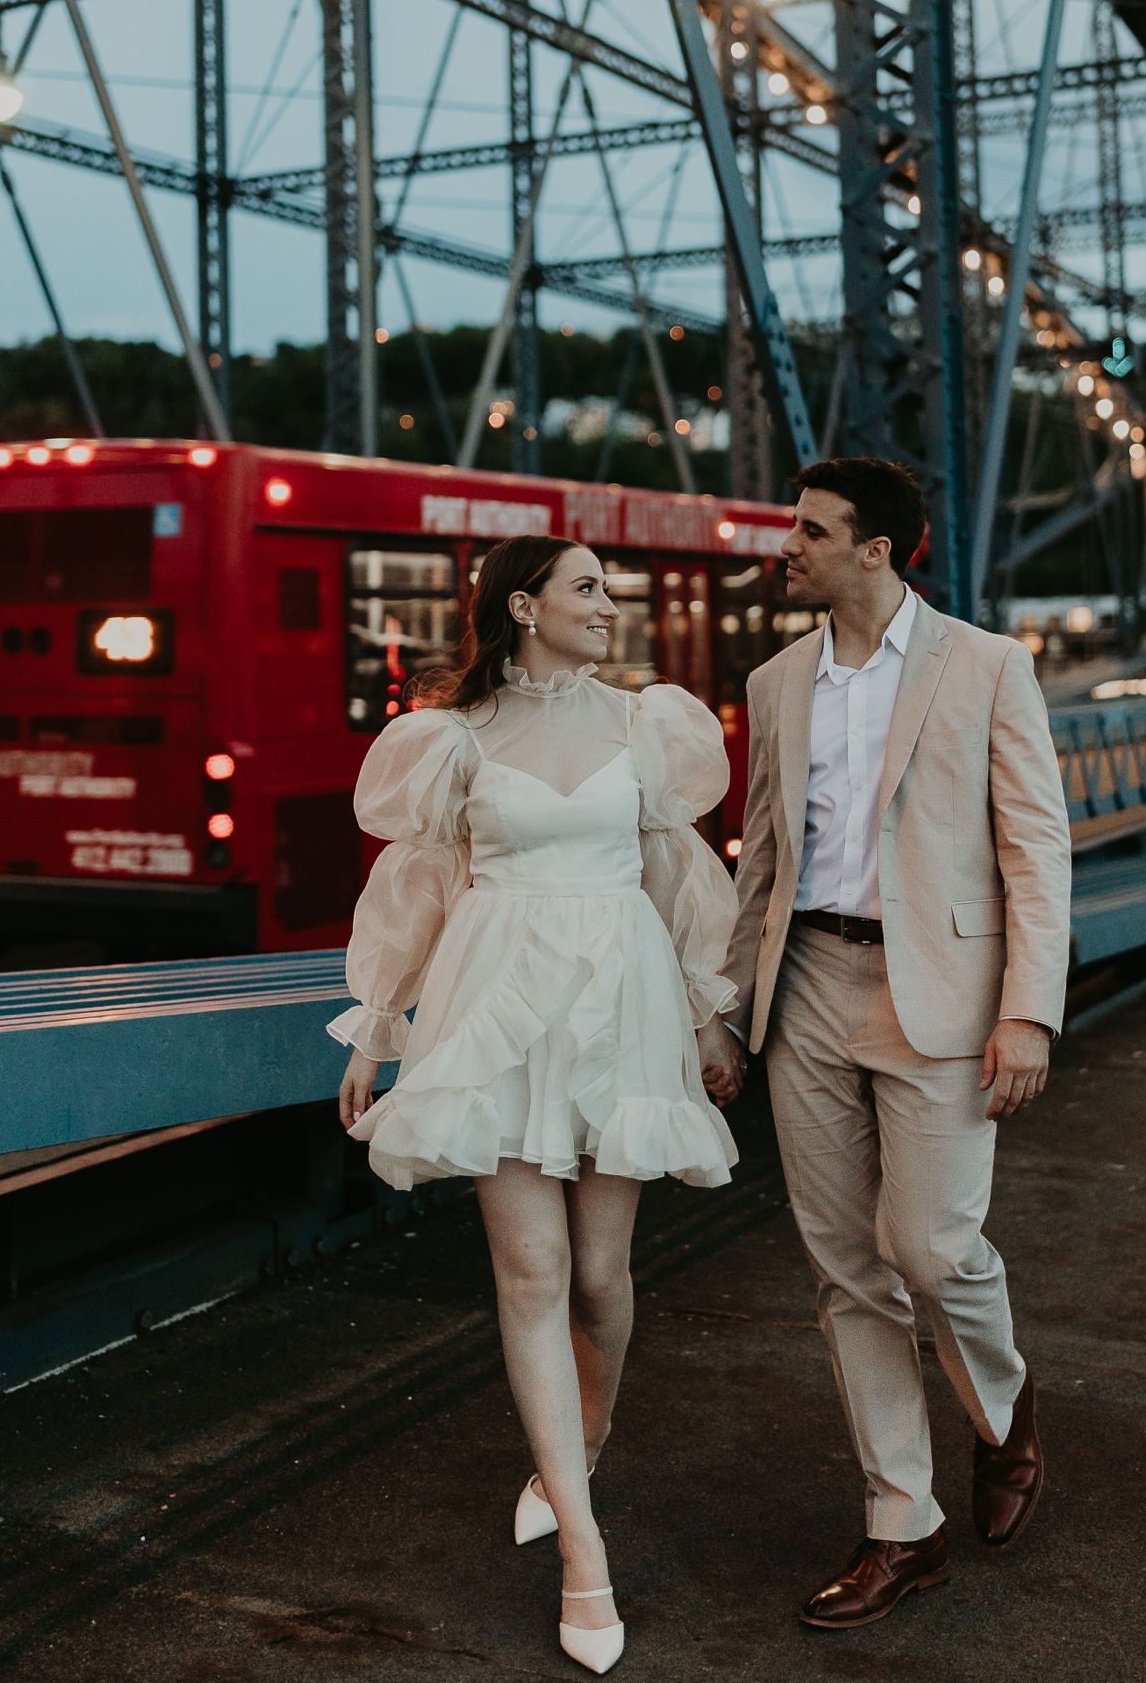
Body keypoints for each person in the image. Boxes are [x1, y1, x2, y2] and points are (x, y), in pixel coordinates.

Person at [331, 536, 746, 1676]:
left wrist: (710, 1017)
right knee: (531, 1277)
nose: (609, 606)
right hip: (499, 1003)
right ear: (524, 606)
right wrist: (380, 1029)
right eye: (586, 589)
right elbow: (417, 893)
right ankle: (585, 1546)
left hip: (620, 999)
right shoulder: (449, 740)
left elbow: (678, 875)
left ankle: (582, 1443)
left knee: (602, 1282)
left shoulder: (644, 725)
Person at [716, 456, 1072, 1631]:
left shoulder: (985, 664)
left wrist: (1027, 1009)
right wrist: (727, 1008)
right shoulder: (774, 681)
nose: (789, 546)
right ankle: (899, 1525)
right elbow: (759, 855)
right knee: (844, 1270)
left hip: (941, 993)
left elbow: (1034, 848)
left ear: (877, 551)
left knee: (928, 1246)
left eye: (811, 532)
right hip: (807, 982)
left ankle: (1004, 1410)